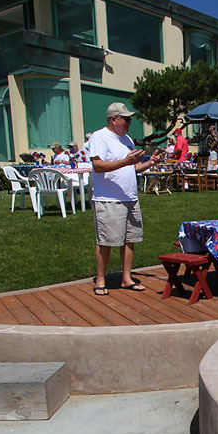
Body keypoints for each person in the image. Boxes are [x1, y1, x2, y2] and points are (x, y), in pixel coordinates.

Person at [88, 103, 165, 296]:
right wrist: (126, 161)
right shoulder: (99, 137)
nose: (130, 122)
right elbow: (98, 166)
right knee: (106, 241)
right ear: (114, 119)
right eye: (126, 119)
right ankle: (101, 279)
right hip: (108, 198)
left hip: (130, 197)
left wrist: (149, 163)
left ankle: (126, 278)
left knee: (130, 240)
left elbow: (132, 168)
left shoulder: (127, 139)